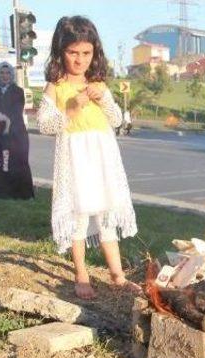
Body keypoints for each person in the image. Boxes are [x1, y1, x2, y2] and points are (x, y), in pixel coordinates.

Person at [37, 16, 139, 300]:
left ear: (94, 53)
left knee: (106, 216)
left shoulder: (98, 84)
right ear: (60, 52)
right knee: (79, 218)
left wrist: (104, 98)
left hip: (102, 157)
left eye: (86, 53)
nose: (80, 60)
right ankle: (81, 275)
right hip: (76, 158)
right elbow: (44, 124)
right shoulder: (55, 86)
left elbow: (117, 119)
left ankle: (117, 275)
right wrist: (70, 109)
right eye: (72, 53)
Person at [0, 62, 34, 199]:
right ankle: (0, 193)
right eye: (2, 73)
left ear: (12, 75)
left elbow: (15, 112)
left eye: (8, 73)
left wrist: (0, 124)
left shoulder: (18, 91)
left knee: (18, 162)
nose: (5, 76)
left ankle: (22, 194)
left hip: (15, 133)